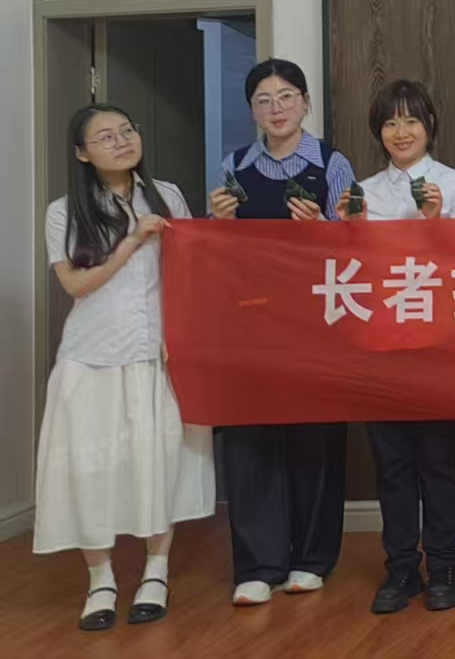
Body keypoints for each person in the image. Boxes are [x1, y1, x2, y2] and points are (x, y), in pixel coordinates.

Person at [35, 104, 215, 632]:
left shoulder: (168, 195)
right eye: (106, 137)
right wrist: (132, 241)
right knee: (90, 468)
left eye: (127, 130)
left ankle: (157, 570)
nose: (121, 141)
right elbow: (75, 284)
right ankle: (101, 580)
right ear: (82, 154)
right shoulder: (64, 211)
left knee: (159, 462)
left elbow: (188, 271)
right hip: (91, 355)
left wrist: (183, 334)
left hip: (156, 353)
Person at [207, 58, 355, 607]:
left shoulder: (332, 164)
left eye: (287, 96)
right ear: (251, 110)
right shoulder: (233, 166)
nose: (277, 109)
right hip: (251, 323)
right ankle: (257, 563)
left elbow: (355, 246)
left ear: (306, 103)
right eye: (264, 100)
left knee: (314, 439)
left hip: (317, 322)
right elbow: (216, 255)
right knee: (251, 442)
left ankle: (311, 558)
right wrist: (219, 224)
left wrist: (322, 230)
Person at [336, 79, 455, 615]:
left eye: (411, 120)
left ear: (430, 126)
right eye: (391, 122)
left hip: (439, 343)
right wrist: (350, 230)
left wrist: (437, 223)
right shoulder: (363, 191)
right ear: (378, 131)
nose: (401, 132)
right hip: (381, 342)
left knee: (439, 460)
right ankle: (401, 566)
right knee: (392, 463)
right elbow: (348, 274)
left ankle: (443, 565)